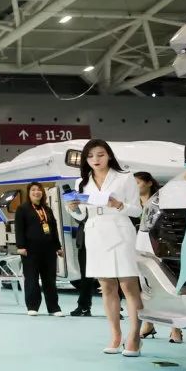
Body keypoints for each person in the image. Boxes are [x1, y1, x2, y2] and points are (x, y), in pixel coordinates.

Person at [66, 139, 144, 357]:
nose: (95, 160)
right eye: (90, 156)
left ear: (109, 155)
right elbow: (81, 215)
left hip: (120, 231)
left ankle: (134, 337)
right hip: (95, 232)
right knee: (107, 287)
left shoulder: (125, 177)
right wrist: (73, 208)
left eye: (100, 154)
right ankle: (115, 336)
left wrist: (118, 204)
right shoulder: (81, 182)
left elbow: (137, 211)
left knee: (128, 286)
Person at [134, 172, 183, 343]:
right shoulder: (131, 203)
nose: (134, 187)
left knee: (169, 285)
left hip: (160, 247)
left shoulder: (161, 201)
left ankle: (175, 328)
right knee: (144, 287)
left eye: (137, 182)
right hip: (136, 247)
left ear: (149, 183)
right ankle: (148, 324)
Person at [14, 183, 65, 317]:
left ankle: (54, 308)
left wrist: (58, 247)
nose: (36, 192)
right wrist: (20, 246)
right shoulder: (22, 209)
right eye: (33, 190)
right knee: (31, 279)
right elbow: (19, 229)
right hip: (30, 250)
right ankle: (32, 306)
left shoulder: (47, 209)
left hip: (49, 250)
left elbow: (53, 229)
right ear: (29, 193)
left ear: (42, 193)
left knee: (50, 280)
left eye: (39, 190)